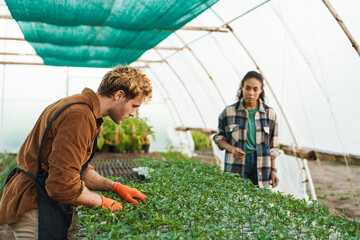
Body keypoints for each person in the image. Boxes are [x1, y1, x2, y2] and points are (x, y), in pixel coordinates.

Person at [0, 65, 152, 239]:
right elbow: (62, 185)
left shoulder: (81, 107)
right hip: (34, 207)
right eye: (134, 105)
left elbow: (75, 168)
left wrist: (115, 187)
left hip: (27, 202)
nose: (133, 113)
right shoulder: (79, 116)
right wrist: (103, 202)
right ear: (119, 95)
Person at [213, 71, 280, 189]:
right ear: (242, 87)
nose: (251, 93)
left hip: (261, 164)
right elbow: (219, 138)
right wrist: (232, 149)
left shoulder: (270, 114)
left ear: (261, 90)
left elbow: (273, 147)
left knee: (260, 201)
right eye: (247, 88)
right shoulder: (229, 112)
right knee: (235, 199)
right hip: (235, 164)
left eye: (255, 89)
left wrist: (273, 171)